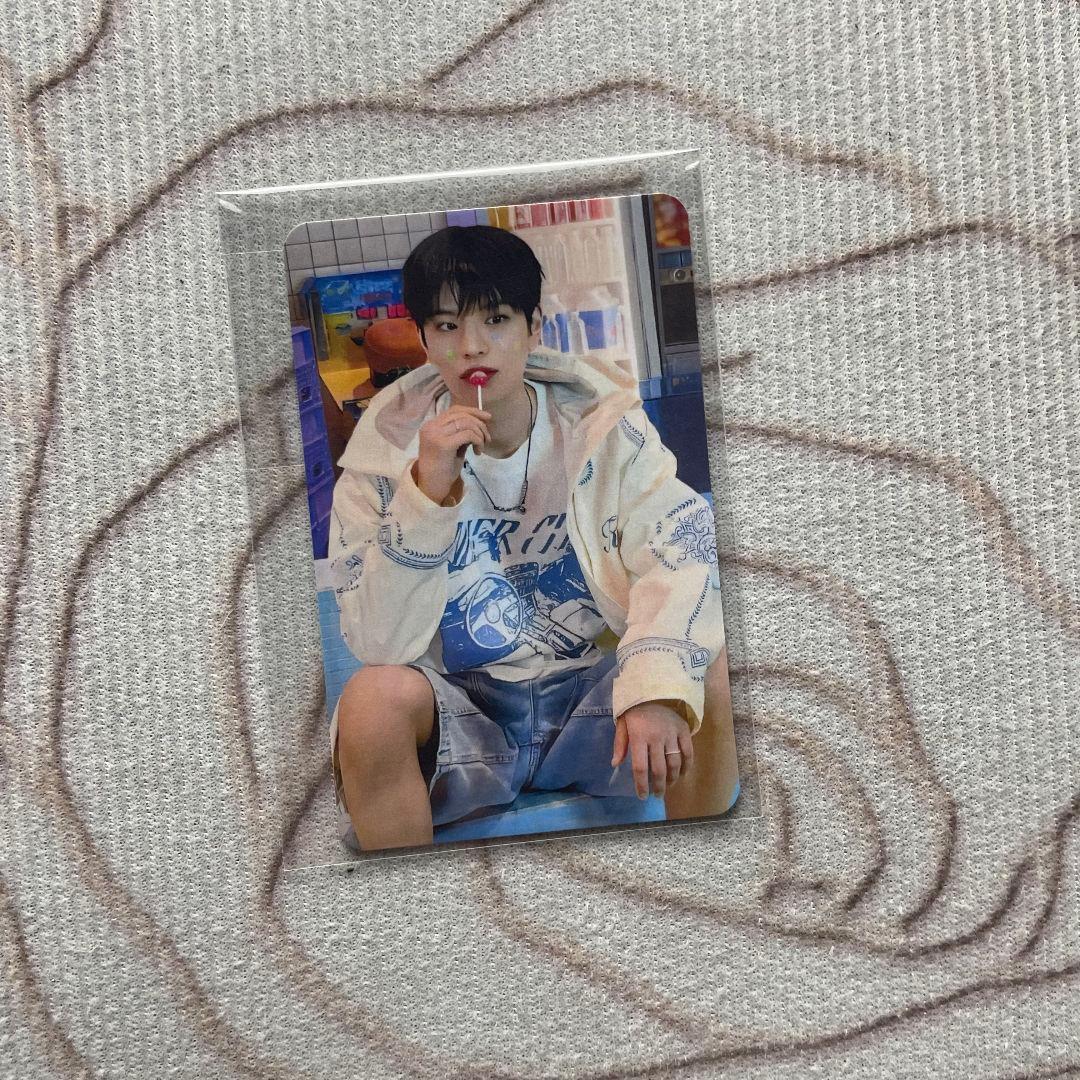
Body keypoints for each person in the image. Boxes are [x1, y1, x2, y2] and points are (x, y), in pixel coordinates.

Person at [328, 224, 726, 851]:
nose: (472, 346)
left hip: (591, 700)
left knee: (705, 667)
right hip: (467, 712)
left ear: (534, 326)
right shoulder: (380, 461)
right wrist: (424, 496)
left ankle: (709, 875)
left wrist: (655, 685)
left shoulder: (606, 430)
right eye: (447, 326)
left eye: (496, 319)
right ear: (425, 340)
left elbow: (681, 556)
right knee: (370, 702)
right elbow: (379, 644)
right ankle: (411, 902)